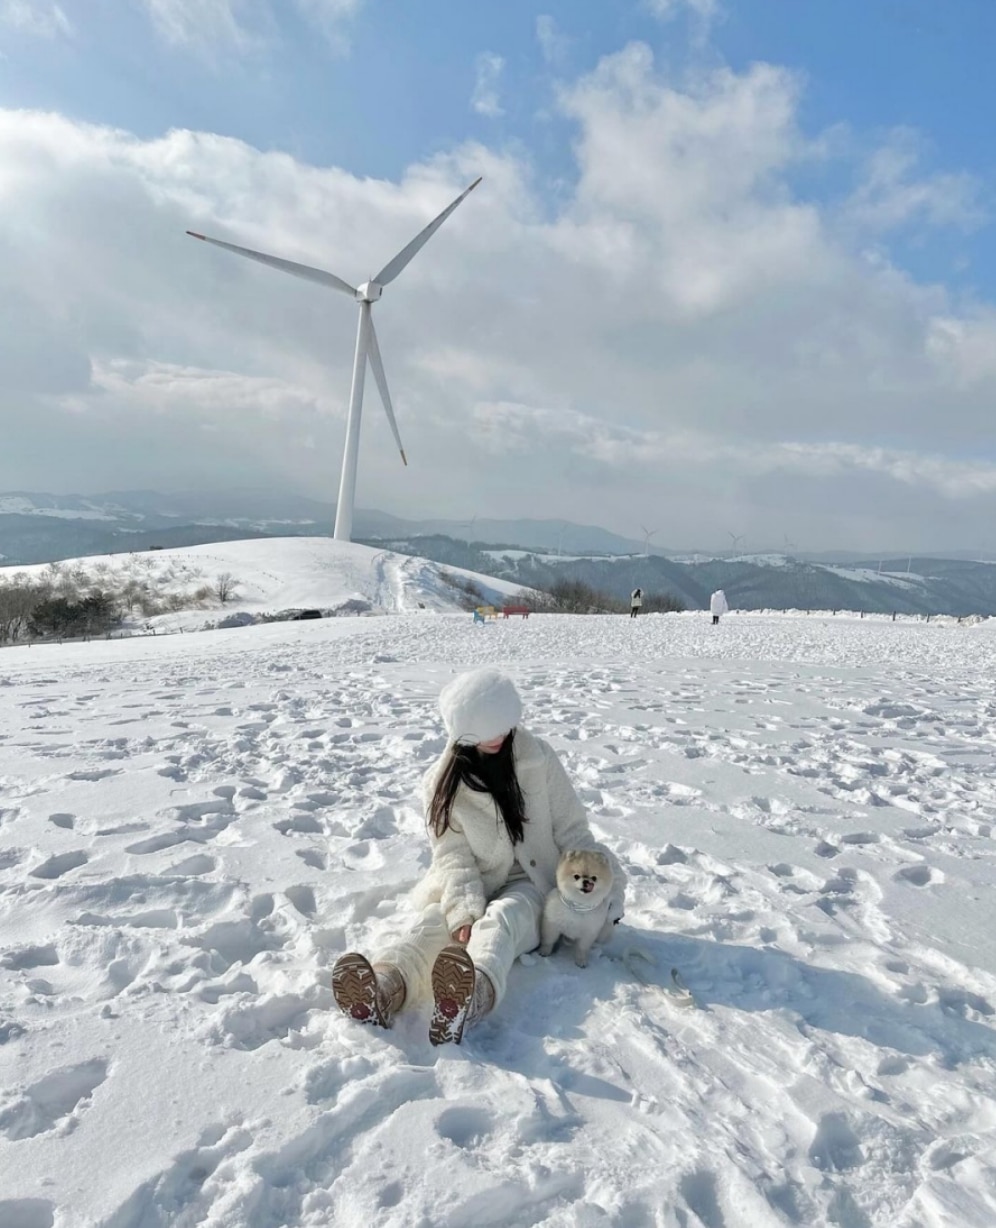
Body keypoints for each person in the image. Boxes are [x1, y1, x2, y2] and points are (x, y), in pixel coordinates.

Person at [331, 668, 626, 1045]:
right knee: (434, 926)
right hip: (474, 878)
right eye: (486, 731)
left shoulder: (539, 759)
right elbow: (451, 855)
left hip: (533, 883)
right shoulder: (441, 782)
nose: (498, 737)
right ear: (462, 732)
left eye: (503, 727)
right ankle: (384, 988)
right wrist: (464, 909)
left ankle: (467, 1002)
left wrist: (610, 886)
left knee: (503, 922)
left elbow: (573, 829)